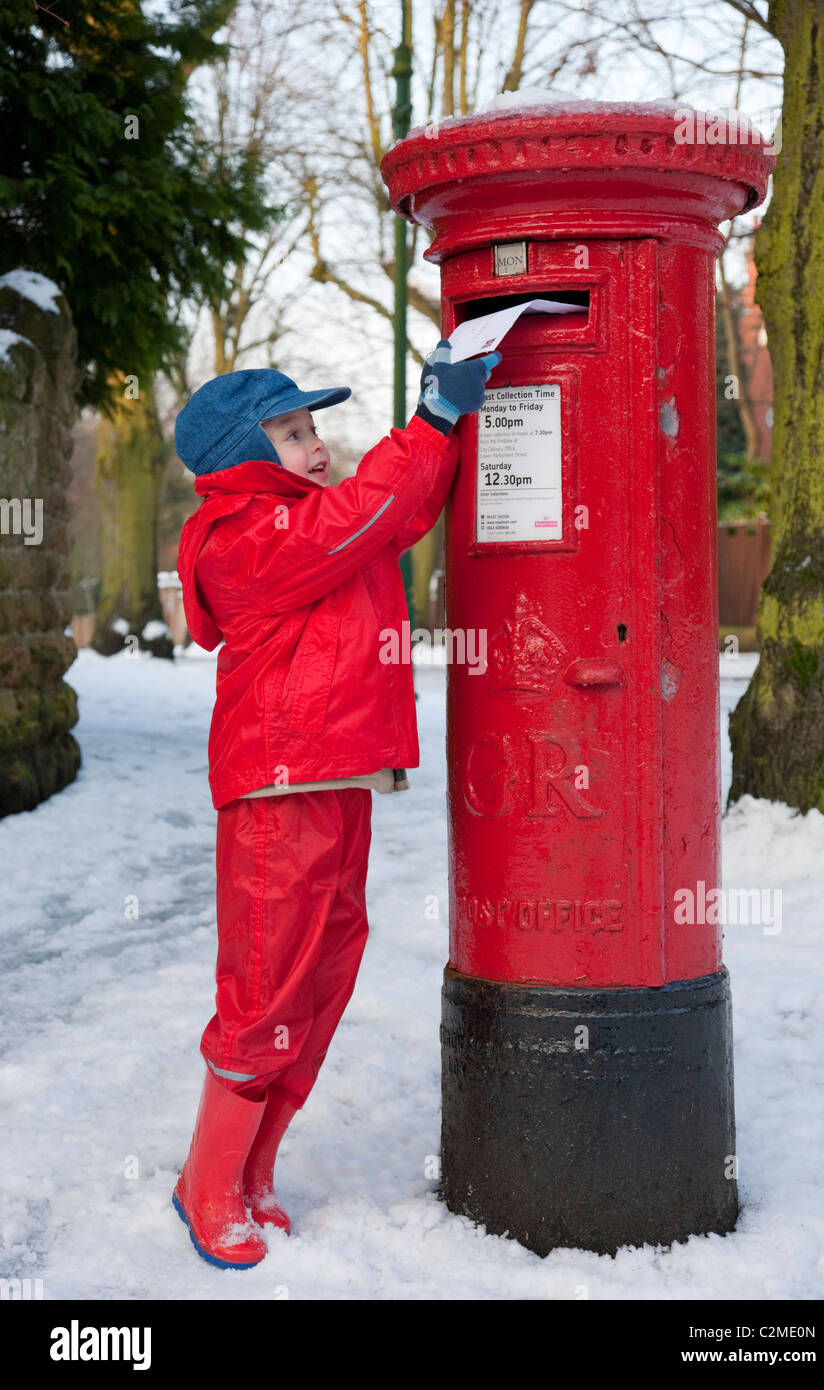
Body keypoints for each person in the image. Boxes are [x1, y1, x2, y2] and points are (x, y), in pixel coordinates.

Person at [171, 339, 501, 1268]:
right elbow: (365, 514)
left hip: (335, 777)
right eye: (288, 432)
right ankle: (208, 1182)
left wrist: (453, 421)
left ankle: (254, 1167)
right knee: (266, 983)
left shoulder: (316, 518)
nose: (314, 446)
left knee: (323, 973)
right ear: (239, 454)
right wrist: (432, 415)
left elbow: (396, 515)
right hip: (279, 787)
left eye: (313, 427)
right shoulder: (245, 541)